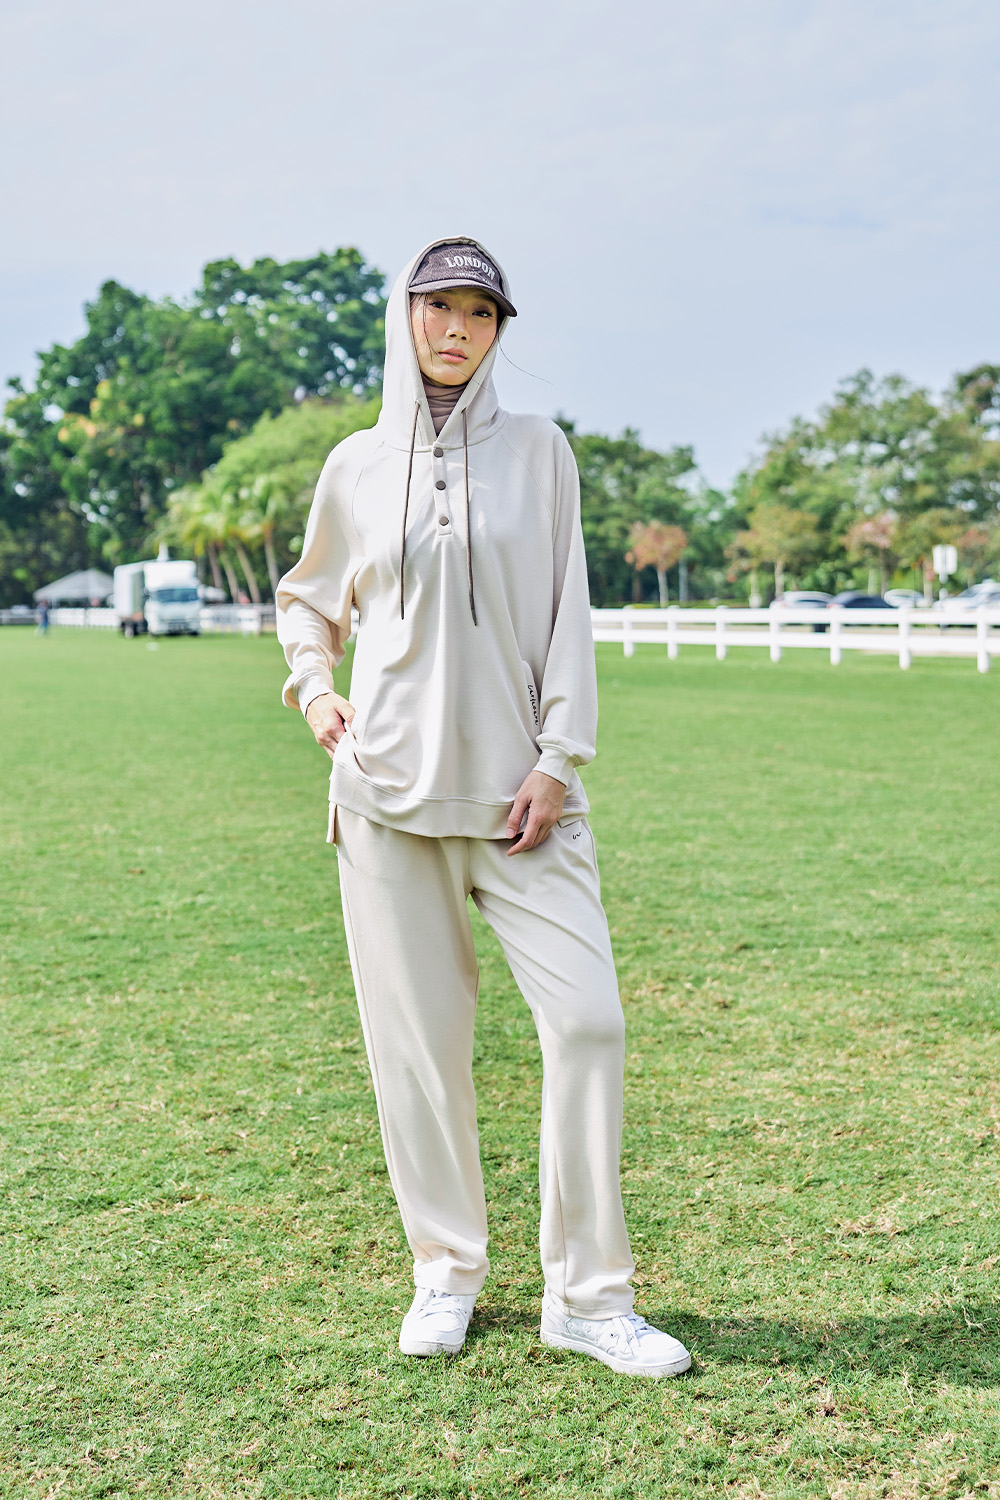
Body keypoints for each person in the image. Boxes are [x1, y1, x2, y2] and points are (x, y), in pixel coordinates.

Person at [276, 237, 690, 1379]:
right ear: (404, 317)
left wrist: (560, 758)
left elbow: (567, 612)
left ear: (500, 330)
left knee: (590, 1024)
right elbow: (308, 599)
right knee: (420, 1055)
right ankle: (446, 1271)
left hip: (526, 804)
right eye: (438, 307)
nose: (457, 328)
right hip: (386, 802)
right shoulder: (356, 465)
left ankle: (590, 1300)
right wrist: (315, 688)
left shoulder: (541, 454)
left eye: (480, 312)